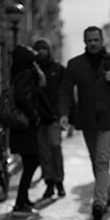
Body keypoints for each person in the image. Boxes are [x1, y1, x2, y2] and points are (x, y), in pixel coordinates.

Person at [58, 26, 110, 220]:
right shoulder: (75, 64)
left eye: (96, 39)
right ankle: (104, 192)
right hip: (88, 120)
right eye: (89, 40)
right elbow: (65, 91)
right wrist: (63, 114)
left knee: (102, 159)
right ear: (84, 42)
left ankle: (98, 203)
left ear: (102, 40)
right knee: (96, 160)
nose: (92, 43)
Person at [9, 44, 49, 216]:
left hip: (22, 126)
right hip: (25, 126)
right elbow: (21, 97)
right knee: (33, 161)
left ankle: (23, 199)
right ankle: (20, 202)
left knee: (29, 162)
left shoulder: (20, 71)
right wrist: (33, 115)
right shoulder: (26, 74)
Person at [33, 38, 66, 199]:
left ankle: (59, 181)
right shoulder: (32, 71)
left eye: (44, 49)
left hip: (54, 116)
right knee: (44, 152)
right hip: (39, 118)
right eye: (38, 49)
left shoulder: (58, 69)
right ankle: (49, 183)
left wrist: (64, 114)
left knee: (55, 147)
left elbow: (65, 93)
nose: (41, 52)